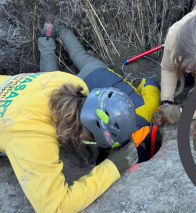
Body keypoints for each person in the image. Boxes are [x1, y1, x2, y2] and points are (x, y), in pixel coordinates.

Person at [0, 19, 160, 213]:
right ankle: (48, 35)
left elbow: (149, 83)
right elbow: (55, 207)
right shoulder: (31, 138)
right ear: (88, 137)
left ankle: (54, 28)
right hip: (12, 121)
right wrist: (112, 167)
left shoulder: (71, 83)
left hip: (29, 88)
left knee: (67, 60)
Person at [38, 20, 161, 163]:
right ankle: (46, 36)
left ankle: (56, 25)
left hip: (98, 72)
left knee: (77, 52)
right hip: (77, 93)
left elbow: (148, 82)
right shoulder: (104, 137)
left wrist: (133, 92)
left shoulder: (148, 110)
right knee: (48, 77)